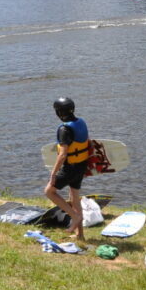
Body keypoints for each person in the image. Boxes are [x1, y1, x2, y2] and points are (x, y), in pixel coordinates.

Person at [44, 97, 88, 242]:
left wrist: (53, 173)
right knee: (75, 198)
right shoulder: (81, 122)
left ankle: (74, 217)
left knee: (49, 191)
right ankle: (80, 235)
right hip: (82, 165)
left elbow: (62, 155)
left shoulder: (64, 129)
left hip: (70, 168)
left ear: (58, 112)